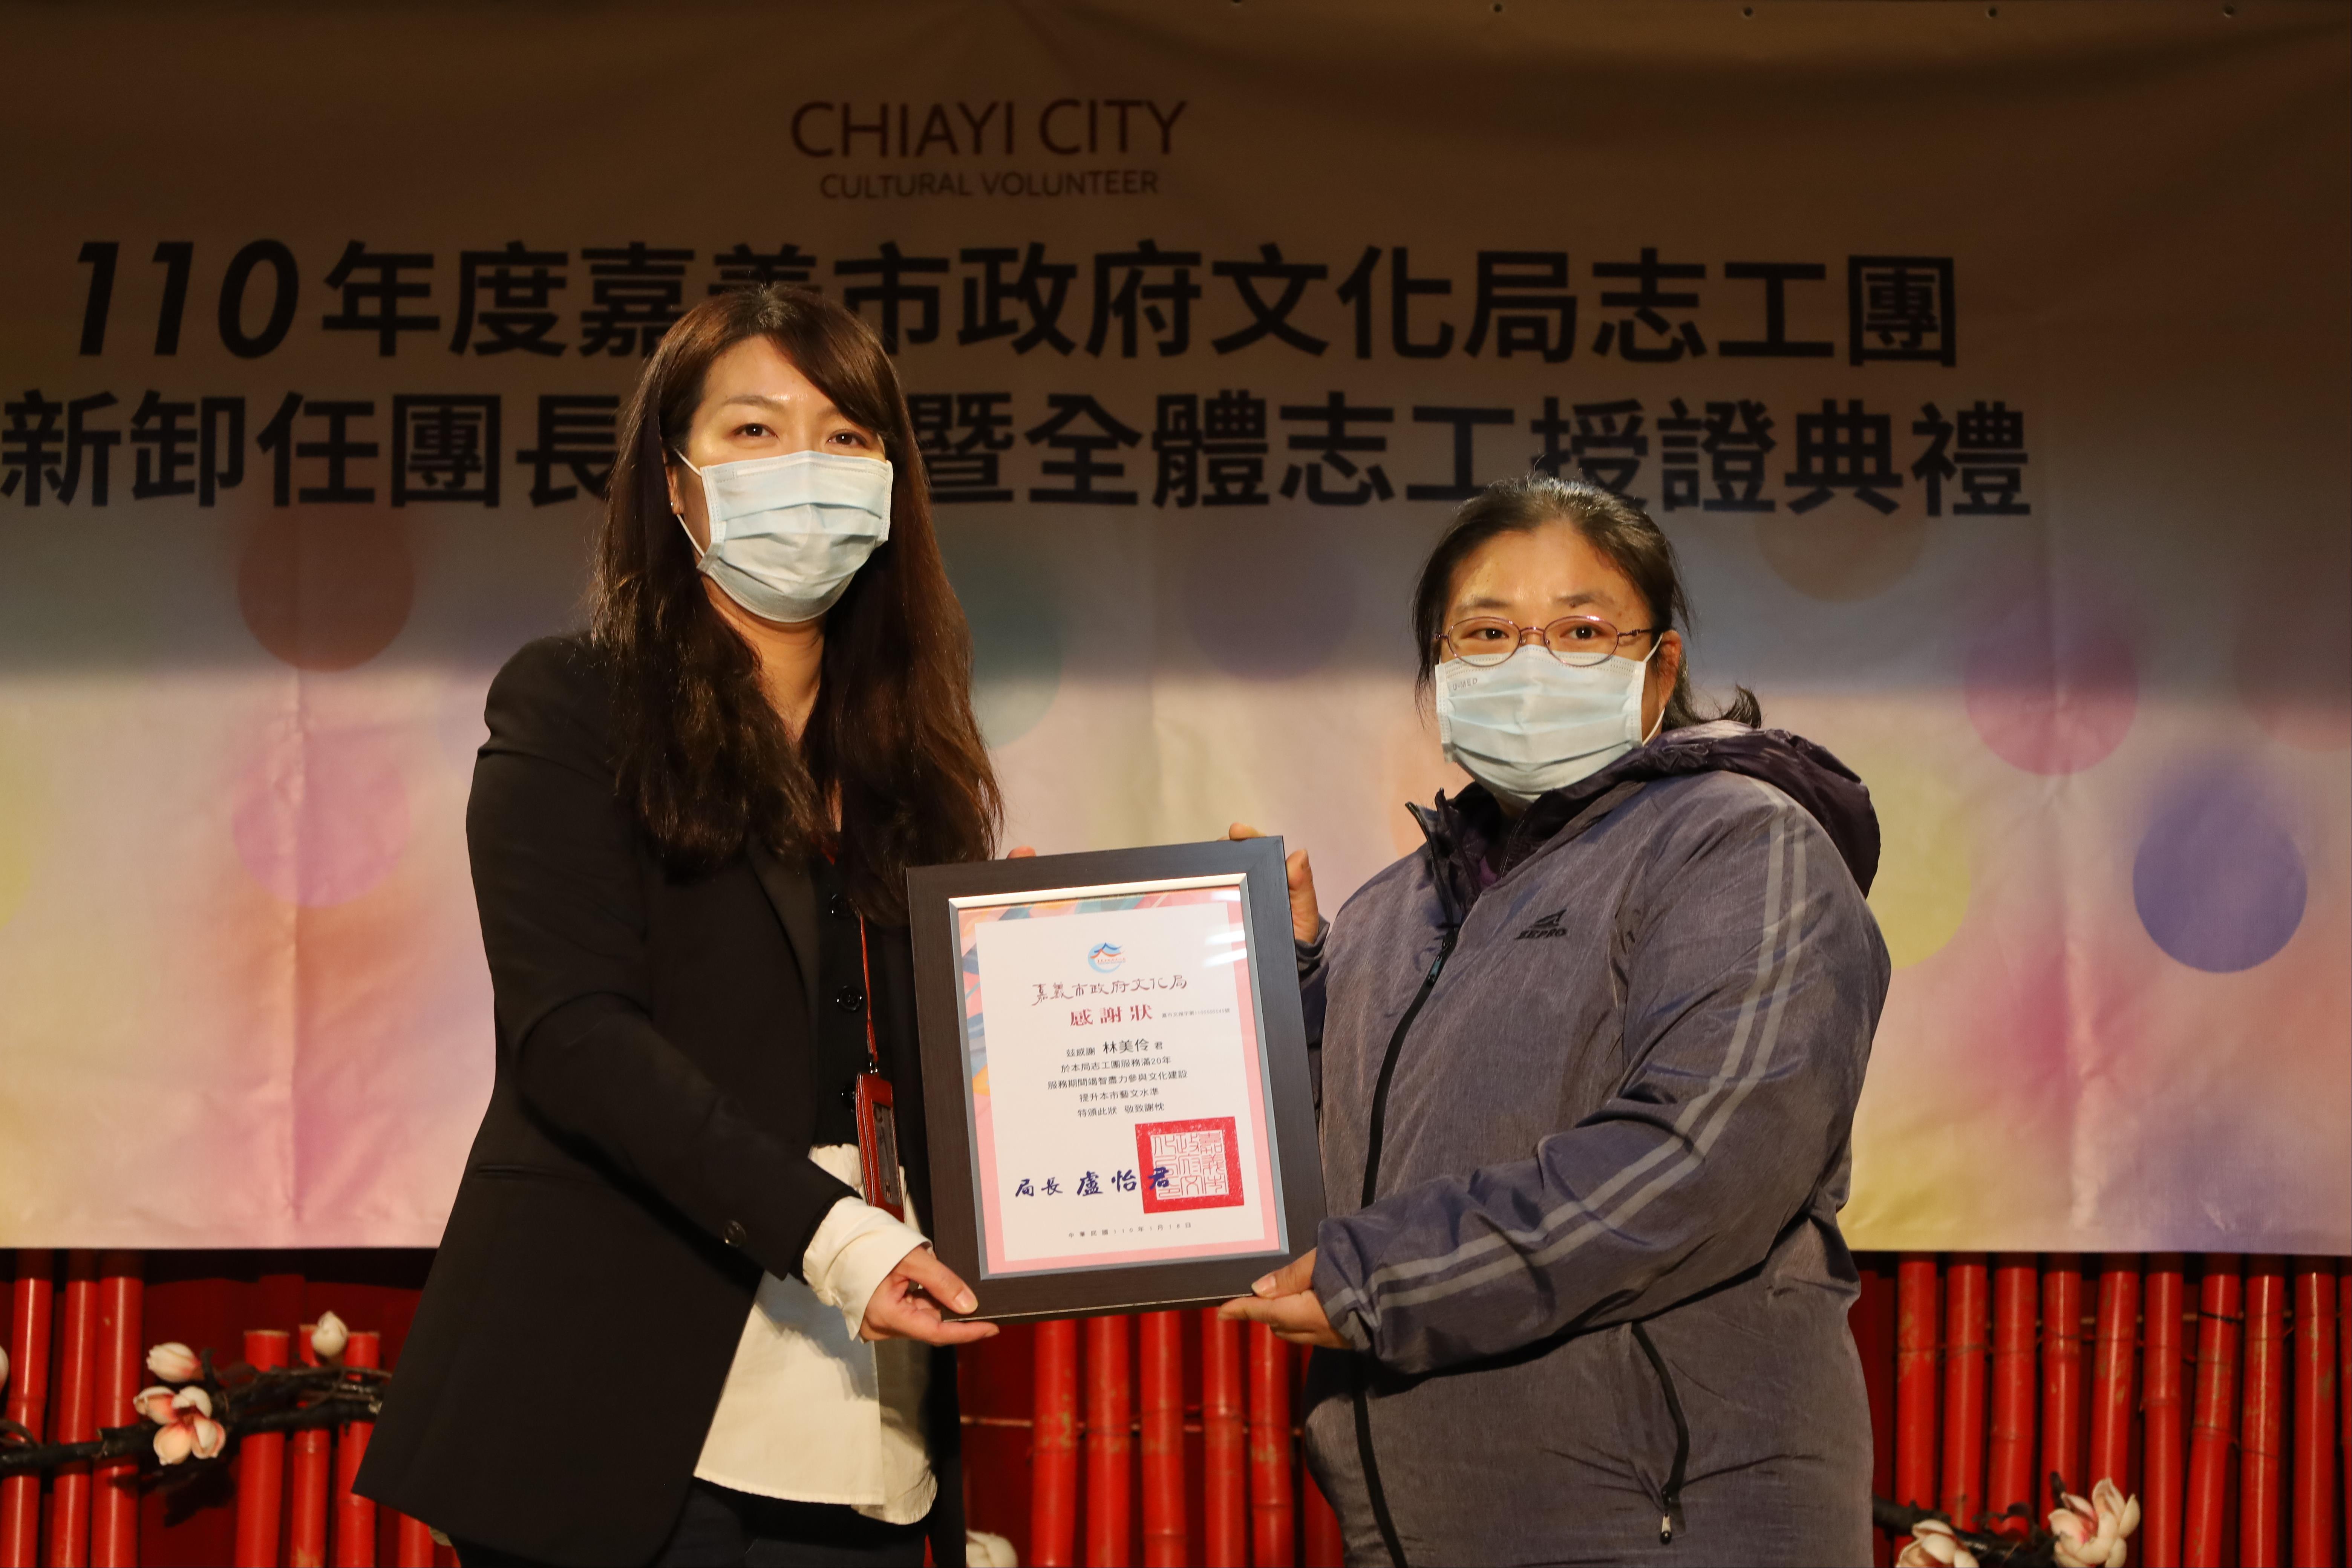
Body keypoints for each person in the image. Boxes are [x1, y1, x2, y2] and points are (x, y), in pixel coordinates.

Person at [358, 287, 1002, 1568]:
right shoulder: (574, 706)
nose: (804, 468)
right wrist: (834, 1237)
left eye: (845, 436)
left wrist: (1028, 985)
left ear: (891, 482)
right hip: (624, 1406)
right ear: (675, 481)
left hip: (869, 1415)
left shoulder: (915, 768)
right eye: (755, 431)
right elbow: (575, 1037)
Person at [1222, 474, 1890, 1565]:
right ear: (1439, 670)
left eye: (1581, 631)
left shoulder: (1742, 845)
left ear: (1658, 669)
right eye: (1488, 633)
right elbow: (1334, 1164)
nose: (1529, 662)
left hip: (1669, 1521)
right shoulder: (1391, 912)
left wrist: (1388, 1280)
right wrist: (1281, 984)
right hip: (1416, 1528)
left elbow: (1698, 1164)